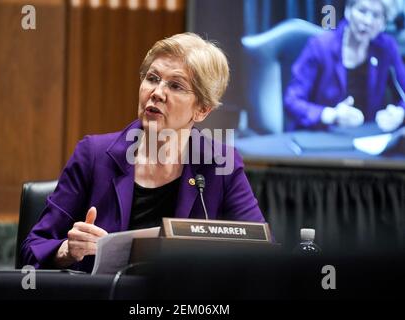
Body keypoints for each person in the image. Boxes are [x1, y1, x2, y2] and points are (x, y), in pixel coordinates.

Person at [20, 33, 266, 273]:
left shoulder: (220, 164)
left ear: (201, 110)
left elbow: (260, 253)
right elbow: (32, 249)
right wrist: (67, 250)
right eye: (152, 78)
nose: (157, 92)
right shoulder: (94, 156)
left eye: (176, 85)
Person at [284, 0, 405, 132]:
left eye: (376, 16)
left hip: (366, 139)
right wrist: (331, 115)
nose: (367, 21)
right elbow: (292, 100)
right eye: (362, 11)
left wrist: (400, 113)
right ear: (348, 11)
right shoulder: (320, 46)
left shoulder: (386, 47)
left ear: (383, 23)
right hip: (321, 135)